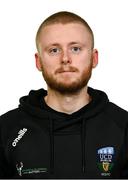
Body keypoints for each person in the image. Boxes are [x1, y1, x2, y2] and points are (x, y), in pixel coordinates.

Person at [0, 11, 128, 179]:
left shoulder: (123, 126)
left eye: (75, 49)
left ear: (94, 58)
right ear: (38, 61)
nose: (65, 58)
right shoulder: (6, 129)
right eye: (54, 50)